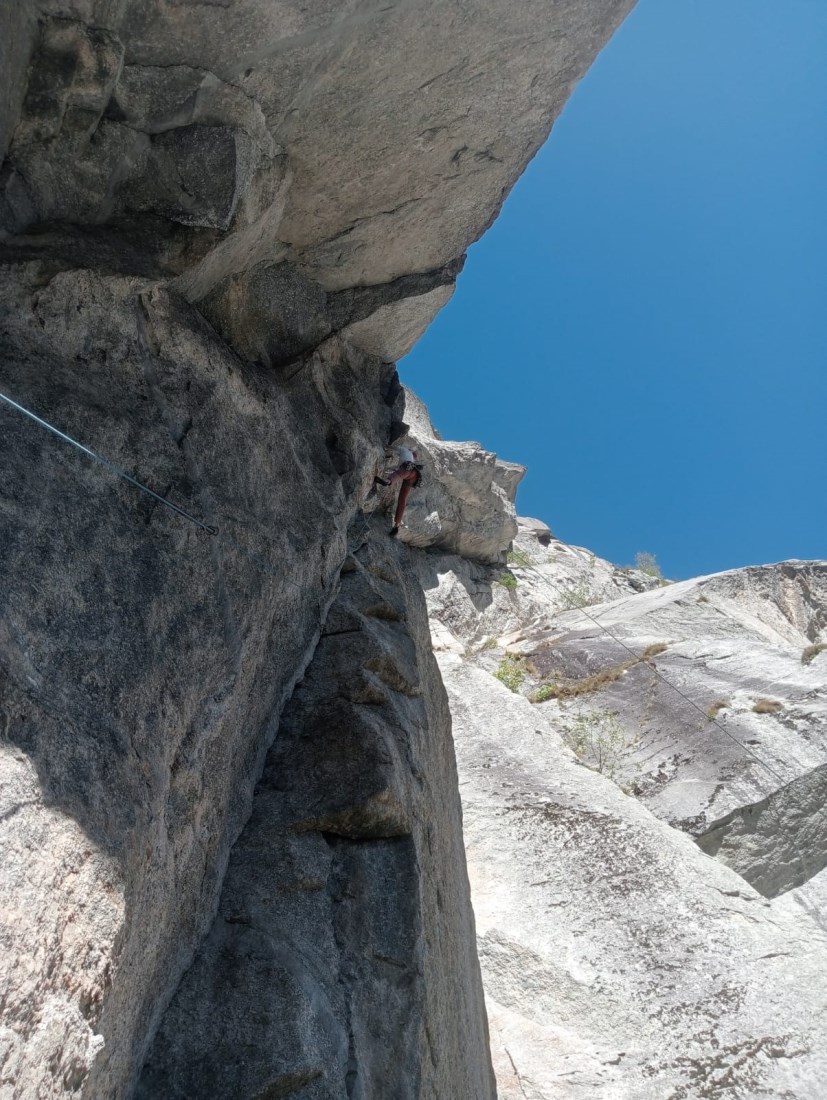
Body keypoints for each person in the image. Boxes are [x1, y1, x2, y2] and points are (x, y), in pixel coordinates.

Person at [374, 446, 423, 537]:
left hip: (407, 469)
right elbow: (398, 468)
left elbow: (393, 447)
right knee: (403, 499)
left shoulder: (404, 450)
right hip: (414, 476)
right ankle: (397, 525)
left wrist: (385, 446)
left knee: (397, 475)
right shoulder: (412, 458)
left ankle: (387, 481)